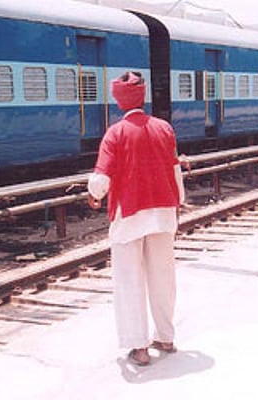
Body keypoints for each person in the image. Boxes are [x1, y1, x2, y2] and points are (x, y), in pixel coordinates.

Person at [87, 71, 185, 366]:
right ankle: (165, 338)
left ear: (118, 99)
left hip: (130, 215)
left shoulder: (115, 133)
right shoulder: (164, 128)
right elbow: (175, 169)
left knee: (129, 280)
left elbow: (101, 179)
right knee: (163, 277)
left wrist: (95, 195)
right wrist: (177, 201)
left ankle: (139, 347)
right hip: (163, 212)